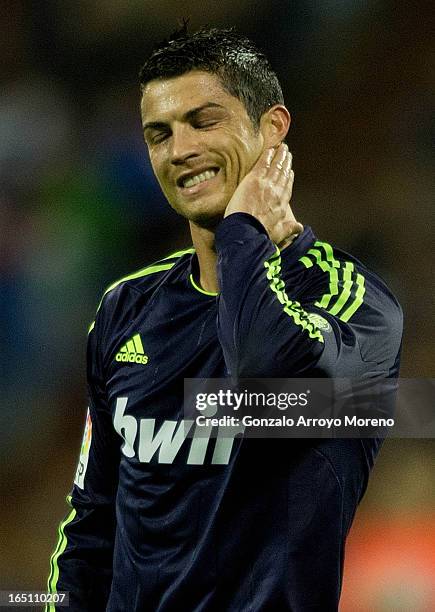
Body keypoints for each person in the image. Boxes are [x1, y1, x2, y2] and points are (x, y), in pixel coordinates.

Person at [46, 25, 403, 611]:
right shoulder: (124, 309)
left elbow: (261, 369)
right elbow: (92, 522)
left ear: (273, 128)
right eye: (158, 135)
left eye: (204, 121)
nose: (179, 149)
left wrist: (244, 230)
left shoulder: (355, 305)